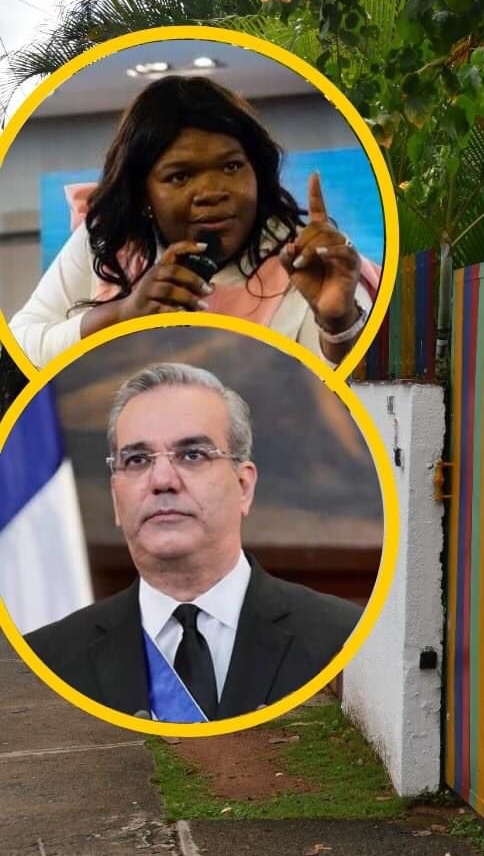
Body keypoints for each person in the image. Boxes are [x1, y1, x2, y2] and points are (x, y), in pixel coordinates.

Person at [24, 362, 363, 722]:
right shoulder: (46, 661)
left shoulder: (345, 638)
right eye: (137, 460)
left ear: (243, 486)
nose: (162, 481)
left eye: (192, 455)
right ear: (116, 498)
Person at [8, 75, 379, 368]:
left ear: (258, 172)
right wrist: (123, 314)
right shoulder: (109, 241)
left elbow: (330, 397)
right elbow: (22, 343)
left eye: (231, 166)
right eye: (180, 176)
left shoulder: (307, 261)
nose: (212, 192)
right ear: (143, 193)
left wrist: (338, 322)